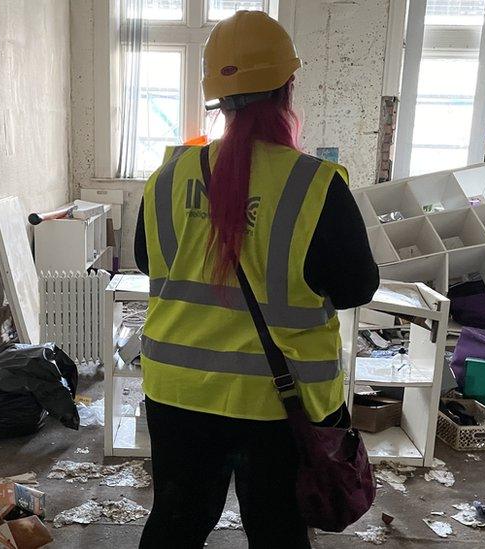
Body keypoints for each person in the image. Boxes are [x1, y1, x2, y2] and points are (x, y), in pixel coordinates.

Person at [134, 10, 380, 549]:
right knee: (277, 531)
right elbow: (357, 288)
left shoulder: (167, 178)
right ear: (287, 87)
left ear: (217, 98)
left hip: (177, 391)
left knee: (176, 522)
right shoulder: (316, 185)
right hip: (279, 403)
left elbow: (148, 262)